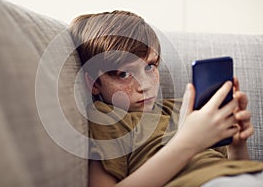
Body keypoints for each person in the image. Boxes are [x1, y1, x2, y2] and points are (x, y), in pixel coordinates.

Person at [68, 10, 263, 187]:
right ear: (94, 83)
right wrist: (190, 141)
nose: (144, 85)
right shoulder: (107, 117)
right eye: (123, 74)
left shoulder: (184, 108)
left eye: (150, 67)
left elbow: (234, 169)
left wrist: (237, 145)